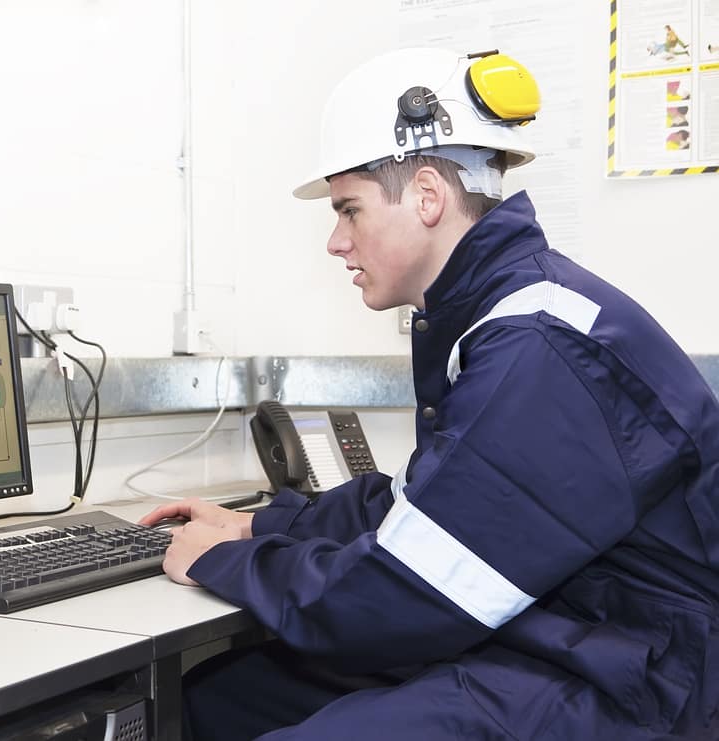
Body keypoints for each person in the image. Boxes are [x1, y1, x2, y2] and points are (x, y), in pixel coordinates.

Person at [140, 47, 719, 740]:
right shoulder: (496, 316)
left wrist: (220, 559)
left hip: (647, 681)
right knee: (224, 694)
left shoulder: (538, 347)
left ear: (426, 196)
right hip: (578, 633)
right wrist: (260, 525)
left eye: (349, 210)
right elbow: (425, 504)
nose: (335, 241)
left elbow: (400, 595)